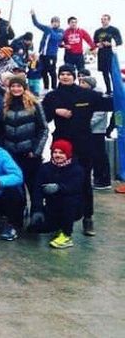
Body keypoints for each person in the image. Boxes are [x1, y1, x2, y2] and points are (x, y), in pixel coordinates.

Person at [41, 65, 113, 237]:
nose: (65, 77)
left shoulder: (86, 94)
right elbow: (42, 117)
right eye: (62, 74)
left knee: (84, 182)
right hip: (60, 146)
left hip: (83, 146)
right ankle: (58, 218)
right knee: (58, 182)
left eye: (68, 74)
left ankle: (88, 218)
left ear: (74, 76)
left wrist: (119, 90)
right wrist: (55, 110)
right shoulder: (52, 96)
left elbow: (110, 104)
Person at [0, 75, 49, 207]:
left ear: (24, 88)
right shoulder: (6, 105)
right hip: (12, 154)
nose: (16, 89)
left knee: (34, 187)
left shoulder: (34, 104)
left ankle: (36, 216)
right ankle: (18, 217)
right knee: (16, 188)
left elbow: (43, 129)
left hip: (30, 154)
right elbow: (2, 129)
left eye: (18, 86)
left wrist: (36, 150)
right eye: (13, 87)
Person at [27, 139, 84, 249]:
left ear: (67, 154)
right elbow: (37, 190)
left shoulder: (77, 169)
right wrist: (37, 209)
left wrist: (59, 187)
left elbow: (75, 188)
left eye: (61, 153)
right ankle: (57, 226)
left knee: (69, 200)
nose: (57, 155)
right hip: (52, 207)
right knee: (34, 229)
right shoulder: (45, 168)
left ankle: (67, 234)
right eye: (55, 152)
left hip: (71, 207)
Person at [30, 9, 63, 92]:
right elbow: (36, 24)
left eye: (56, 22)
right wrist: (33, 15)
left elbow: (56, 37)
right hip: (42, 54)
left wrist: (50, 29)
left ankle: (54, 88)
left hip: (51, 55)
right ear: (51, 22)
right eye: (53, 22)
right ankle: (46, 87)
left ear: (59, 23)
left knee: (52, 71)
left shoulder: (60, 31)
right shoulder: (47, 29)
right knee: (43, 71)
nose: (55, 23)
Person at [93, 14, 122, 95]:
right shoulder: (97, 31)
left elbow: (120, 41)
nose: (103, 21)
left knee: (113, 73)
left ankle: (117, 91)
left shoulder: (114, 30)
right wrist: (98, 44)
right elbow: (94, 42)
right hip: (102, 54)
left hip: (111, 54)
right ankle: (108, 90)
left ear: (109, 20)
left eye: (105, 19)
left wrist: (109, 44)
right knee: (104, 73)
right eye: (102, 19)